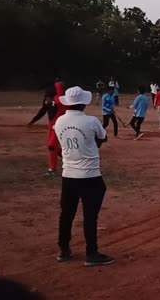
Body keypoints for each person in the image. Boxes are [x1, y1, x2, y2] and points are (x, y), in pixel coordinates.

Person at [53, 86, 115, 267]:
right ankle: (92, 252)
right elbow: (103, 137)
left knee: (66, 214)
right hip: (90, 175)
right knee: (90, 216)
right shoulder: (91, 121)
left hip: (68, 174)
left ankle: (64, 250)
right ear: (83, 104)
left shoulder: (59, 122)